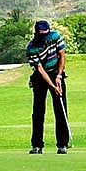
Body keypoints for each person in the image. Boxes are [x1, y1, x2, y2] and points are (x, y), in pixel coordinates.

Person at [26, 20, 70, 154]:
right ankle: (37, 145)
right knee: (38, 111)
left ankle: (62, 144)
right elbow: (39, 69)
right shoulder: (31, 47)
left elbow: (62, 55)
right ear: (37, 33)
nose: (45, 37)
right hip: (40, 77)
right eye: (42, 34)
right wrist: (52, 85)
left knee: (60, 109)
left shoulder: (55, 36)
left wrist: (59, 76)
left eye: (46, 33)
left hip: (56, 73)